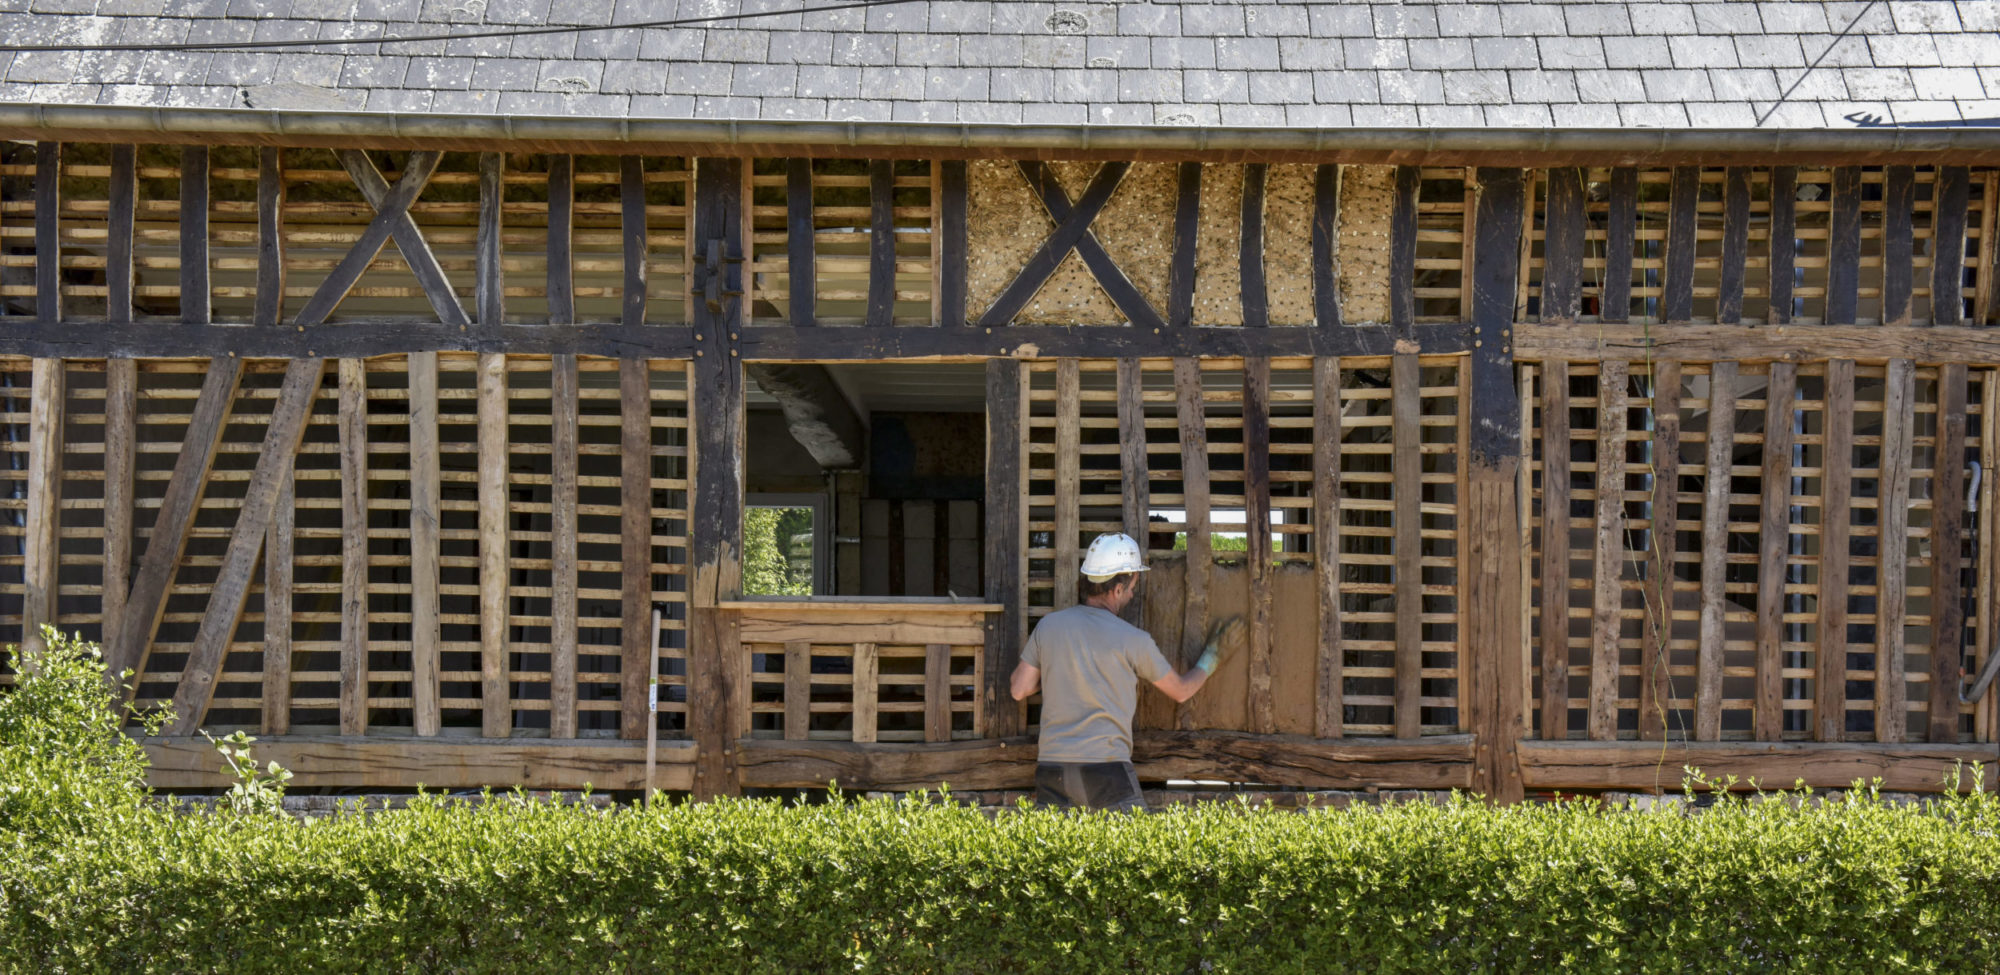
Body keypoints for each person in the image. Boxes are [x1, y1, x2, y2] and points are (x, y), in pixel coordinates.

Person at [1009, 531, 1243, 812]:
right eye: (1132, 587)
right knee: (1134, 853)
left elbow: (1019, 689)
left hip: (1052, 770)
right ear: (1117, 589)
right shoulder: (1134, 640)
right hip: (1106, 772)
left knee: (1058, 855)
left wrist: (1058, 671)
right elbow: (1181, 692)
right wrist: (1213, 656)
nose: (1133, 594)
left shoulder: (1049, 626)